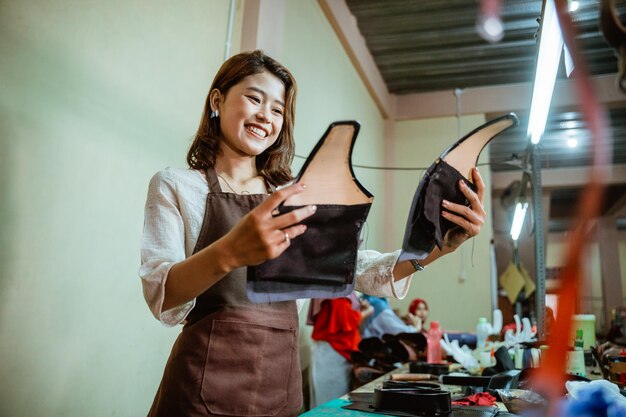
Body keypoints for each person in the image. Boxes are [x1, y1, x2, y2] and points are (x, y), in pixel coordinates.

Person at [139, 50, 486, 417]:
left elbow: (357, 269)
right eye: (254, 98)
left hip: (280, 390)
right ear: (217, 100)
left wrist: (437, 249)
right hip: (199, 389)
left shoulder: (294, 192)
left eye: (278, 109)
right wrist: (230, 251)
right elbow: (163, 293)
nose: (265, 116)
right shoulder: (176, 185)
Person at [307, 293, 372, 408]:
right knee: (330, 401)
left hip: (332, 351)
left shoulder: (339, 290)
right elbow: (345, 319)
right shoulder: (337, 290)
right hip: (332, 352)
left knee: (330, 399)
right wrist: (367, 312)